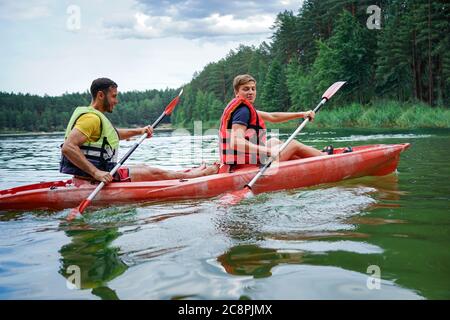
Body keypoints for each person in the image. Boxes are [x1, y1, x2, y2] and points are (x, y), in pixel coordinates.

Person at [60, 78, 218, 183]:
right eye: (114, 96)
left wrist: (140, 131)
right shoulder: (91, 118)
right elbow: (68, 147)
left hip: (98, 174)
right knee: (155, 173)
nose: (116, 101)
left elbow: (113, 135)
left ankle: (189, 174)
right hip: (96, 178)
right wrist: (96, 173)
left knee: (144, 166)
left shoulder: (94, 117)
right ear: (101, 95)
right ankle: (200, 176)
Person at [219, 74, 326, 171]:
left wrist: (302, 114)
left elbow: (272, 116)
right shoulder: (243, 111)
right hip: (247, 164)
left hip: (240, 160)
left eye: (253, 89)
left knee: (274, 141)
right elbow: (236, 142)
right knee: (293, 144)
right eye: (246, 89)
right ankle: (325, 158)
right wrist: (268, 151)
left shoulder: (243, 109)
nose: (251, 92)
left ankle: (309, 156)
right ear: (237, 92)